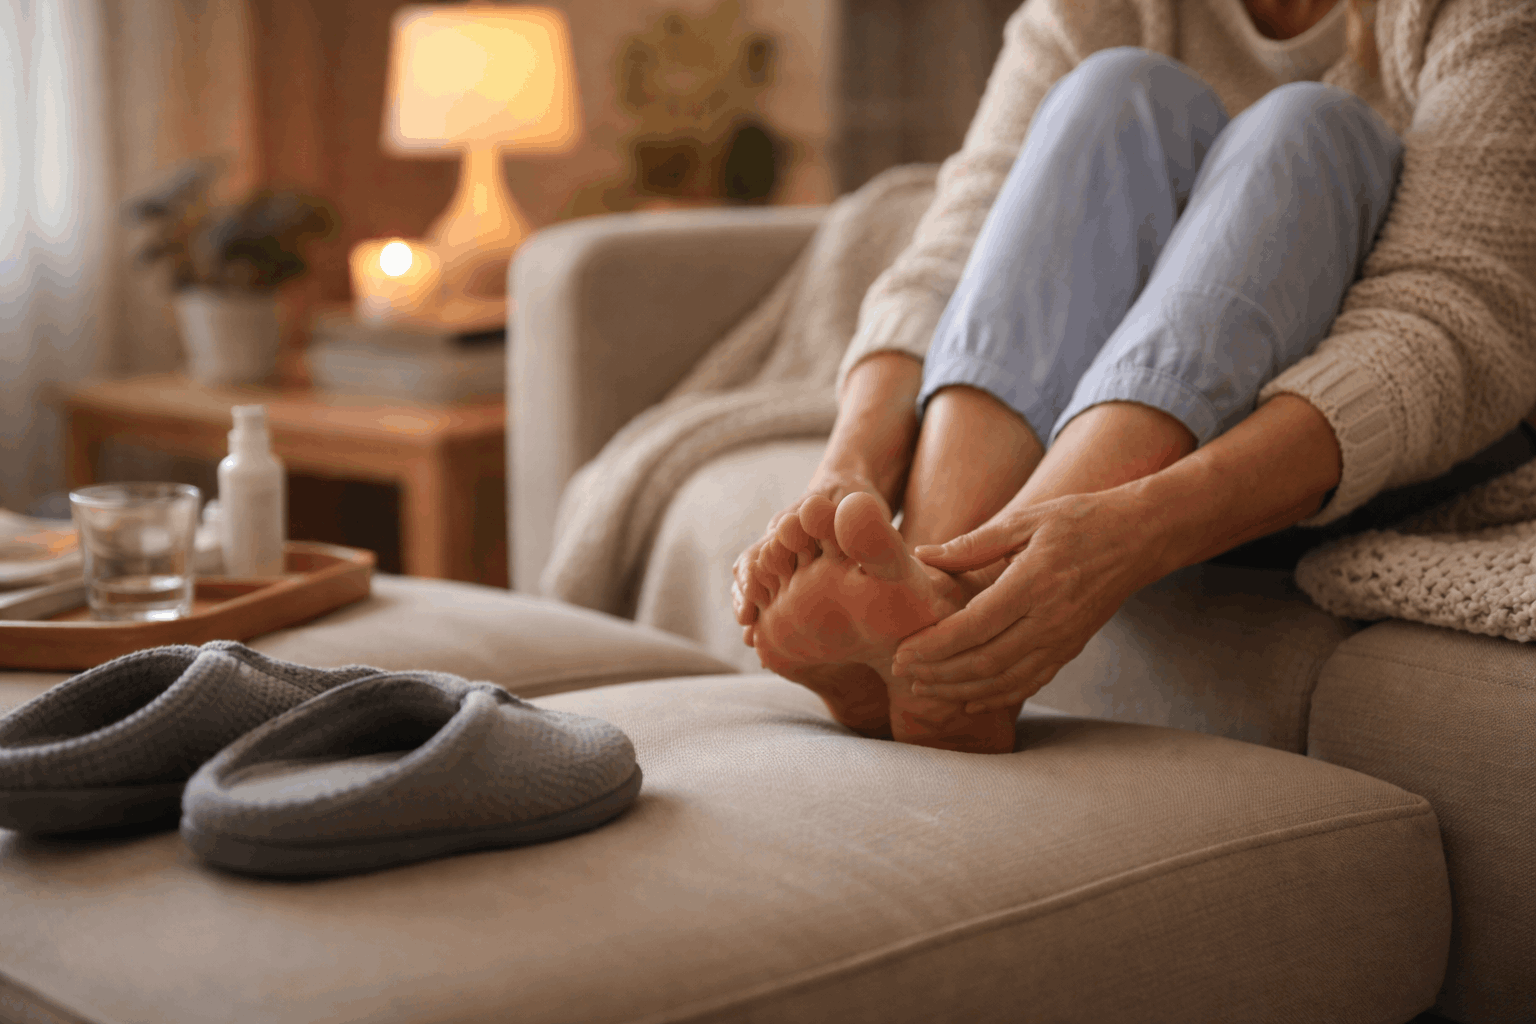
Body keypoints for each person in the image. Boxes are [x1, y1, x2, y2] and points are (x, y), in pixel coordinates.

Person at [730, 0, 1536, 754]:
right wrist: (846, 479)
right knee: (1117, 92)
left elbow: (1453, 322)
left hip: (1332, 455)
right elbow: (964, 241)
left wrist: (1142, 524)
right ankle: (937, 605)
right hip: (1089, 444)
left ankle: (957, 629)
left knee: (1310, 127)